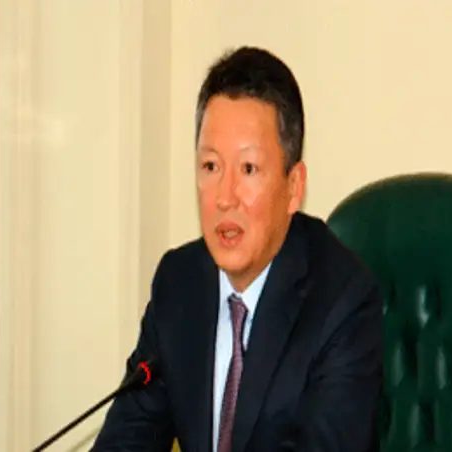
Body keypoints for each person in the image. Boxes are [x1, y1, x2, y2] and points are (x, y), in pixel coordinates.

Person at [92, 46, 383, 452]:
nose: (224, 198)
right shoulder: (178, 283)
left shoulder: (343, 303)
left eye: (248, 169)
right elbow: (127, 438)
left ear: (294, 186)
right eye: (210, 167)